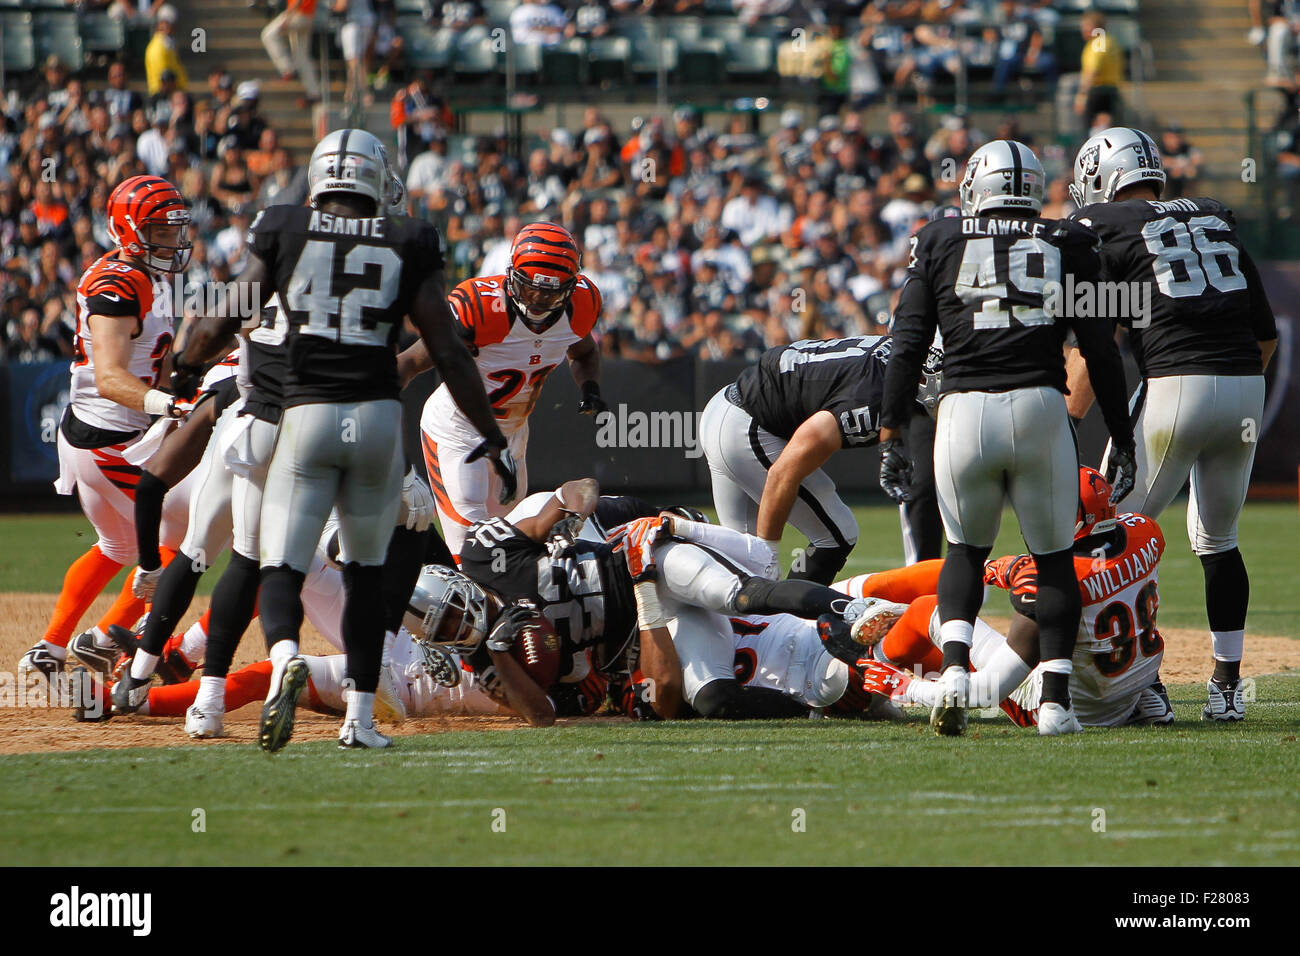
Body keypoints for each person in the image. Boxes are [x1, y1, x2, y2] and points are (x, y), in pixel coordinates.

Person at [155, 128, 513, 751]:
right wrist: (491, 434)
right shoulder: (409, 239)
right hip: (374, 419)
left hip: (306, 413)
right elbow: (449, 350)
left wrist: (186, 366)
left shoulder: (286, 228)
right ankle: (360, 720)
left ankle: (263, 668)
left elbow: (229, 308)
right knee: (367, 579)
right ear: (377, 179)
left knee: (275, 560)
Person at [877, 140, 1137, 738]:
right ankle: (1053, 705)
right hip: (1040, 406)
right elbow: (1098, 349)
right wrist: (1121, 434)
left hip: (963, 410)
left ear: (975, 186)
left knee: (964, 550)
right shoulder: (1069, 241)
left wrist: (892, 431)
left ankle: (955, 677)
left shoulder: (940, 237)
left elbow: (909, 339)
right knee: (1052, 561)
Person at [1065, 126, 1279, 722]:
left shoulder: (1105, 227)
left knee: (1105, 527)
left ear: (1102, 181)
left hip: (1173, 389)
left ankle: (1139, 683)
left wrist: (1067, 418)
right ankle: (1228, 688)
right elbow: (1267, 335)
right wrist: (1232, 389)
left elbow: (1094, 343)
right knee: (1218, 540)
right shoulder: (1214, 219)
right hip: (1244, 388)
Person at [18, 176, 195, 690]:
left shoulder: (143, 275)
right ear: (128, 230)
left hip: (103, 434)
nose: (172, 240)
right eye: (159, 229)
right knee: (181, 537)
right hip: (109, 435)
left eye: (174, 228)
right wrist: (170, 405)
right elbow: (114, 376)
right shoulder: (118, 282)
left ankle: (49, 647)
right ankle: (104, 637)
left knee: (117, 546)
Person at [862, 467, 1173, 730]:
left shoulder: (1049, 585)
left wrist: (908, 688)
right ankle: (1150, 695)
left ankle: (875, 682)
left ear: (1071, 519)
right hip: (1126, 690)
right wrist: (1012, 568)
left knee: (926, 609)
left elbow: (988, 691)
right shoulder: (1145, 532)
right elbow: (1094, 566)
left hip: (1068, 706)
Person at [399, 222, 605, 559]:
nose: (540, 300)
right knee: (470, 548)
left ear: (571, 286)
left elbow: (583, 352)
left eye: (552, 292)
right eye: (532, 289)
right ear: (511, 275)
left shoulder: (581, 303)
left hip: (512, 435)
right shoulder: (479, 308)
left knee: (509, 544)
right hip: (457, 430)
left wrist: (590, 386)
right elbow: (411, 361)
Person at [699, 335, 942, 586]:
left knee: (741, 566)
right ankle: (796, 619)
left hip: (724, 407)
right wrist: (768, 552)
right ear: (927, 373)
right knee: (837, 535)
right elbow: (783, 472)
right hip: (746, 429)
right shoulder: (872, 398)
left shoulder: (894, 356)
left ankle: (734, 622)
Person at [262, 0, 322, 105]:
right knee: (301, 57)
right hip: (308, 17)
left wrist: (287, 17)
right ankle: (314, 93)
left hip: (297, 14)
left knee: (268, 34)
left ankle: (287, 68)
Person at [145, 5, 189, 96]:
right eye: (166, 23)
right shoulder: (157, 48)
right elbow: (164, 78)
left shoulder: (167, 45)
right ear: (160, 24)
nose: (172, 27)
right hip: (163, 95)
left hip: (173, 93)